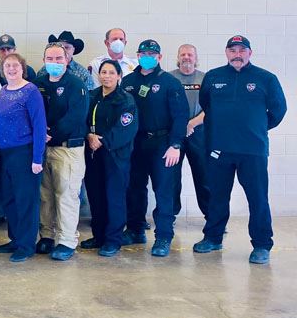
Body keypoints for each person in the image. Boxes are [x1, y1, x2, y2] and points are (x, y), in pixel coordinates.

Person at [193, 35, 287, 265]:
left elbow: (278, 110)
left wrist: (256, 127)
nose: (237, 54)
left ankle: (262, 245)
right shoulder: (214, 77)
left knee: (257, 199)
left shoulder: (266, 78)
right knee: (217, 197)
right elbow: (206, 105)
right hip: (219, 149)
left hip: (252, 151)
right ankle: (213, 238)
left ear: (249, 53)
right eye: (232, 50)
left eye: (241, 50)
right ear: (226, 53)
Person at [121, 39, 189, 257]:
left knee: (164, 191)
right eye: (143, 53)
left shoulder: (170, 82)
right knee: (135, 188)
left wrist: (175, 145)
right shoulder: (128, 81)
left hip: (163, 143)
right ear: (138, 56)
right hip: (136, 144)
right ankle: (135, 230)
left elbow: (181, 116)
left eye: (152, 53)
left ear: (159, 57)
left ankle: (163, 236)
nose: (147, 56)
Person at [32, 42, 89, 261]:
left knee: (66, 195)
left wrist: (51, 134)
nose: (54, 63)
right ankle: (46, 235)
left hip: (68, 149)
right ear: (44, 60)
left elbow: (75, 116)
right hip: (44, 149)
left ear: (66, 60)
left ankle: (66, 241)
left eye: (58, 59)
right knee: (45, 195)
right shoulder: (38, 84)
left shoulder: (76, 84)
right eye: (50, 59)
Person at [0, 53, 46, 262]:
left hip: (25, 152)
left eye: (15, 65)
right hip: (4, 154)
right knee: (9, 199)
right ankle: (15, 238)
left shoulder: (30, 91)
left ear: (22, 68)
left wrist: (37, 159)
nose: (11, 69)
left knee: (26, 201)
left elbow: (39, 125)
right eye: (7, 66)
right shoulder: (3, 90)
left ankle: (26, 245)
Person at [81, 60, 138, 257]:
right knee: (96, 196)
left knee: (114, 197)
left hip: (115, 155)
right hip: (92, 154)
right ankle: (98, 236)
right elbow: (83, 120)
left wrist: (103, 141)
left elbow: (125, 128)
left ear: (119, 76)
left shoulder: (125, 100)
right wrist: (89, 135)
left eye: (111, 72)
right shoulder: (92, 96)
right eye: (103, 72)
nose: (106, 76)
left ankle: (113, 240)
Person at [169, 44, 210, 218]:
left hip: (199, 133)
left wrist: (192, 124)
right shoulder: (168, 78)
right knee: (171, 179)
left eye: (190, 54)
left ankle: (212, 217)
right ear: (178, 57)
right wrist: (180, 126)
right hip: (174, 134)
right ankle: (169, 215)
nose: (186, 57)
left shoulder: (206, 78)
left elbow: (212, 107)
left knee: (205, 177)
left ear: (196, 58)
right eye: (183, 54)